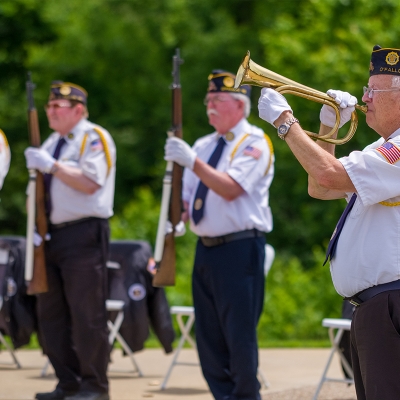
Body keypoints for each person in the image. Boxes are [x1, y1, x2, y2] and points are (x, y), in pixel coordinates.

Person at [258, 45, 400, 400]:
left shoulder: (396, 150)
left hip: (391, 303)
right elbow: (320, 186)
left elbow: (328, 175)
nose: (365, 97)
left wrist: (285, 123)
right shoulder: (379, 149)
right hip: (375, 306)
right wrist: (328, 124)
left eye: (373, 90)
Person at [165, 70, 274, 400]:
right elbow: (186, 199)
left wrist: (191, 161)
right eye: (208, 100)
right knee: (209, 337)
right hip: (206, 249)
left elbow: (230, 189)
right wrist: (177, 218)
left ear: (240, 105)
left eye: (217, 100)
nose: (209, 106)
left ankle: (245, 396)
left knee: (238, 336)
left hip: (240, 249)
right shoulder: (202, 144)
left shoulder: (253, 142)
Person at [24, 81, 116, 400]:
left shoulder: (93, 137)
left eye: (56, 107)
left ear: (78, 109)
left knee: (86, 313)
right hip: (49, 235)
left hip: (83, 233)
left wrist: (51, 166)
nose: (50, 111)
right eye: (48, 106)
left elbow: (91, 182)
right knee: (51, 315)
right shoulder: (51, 142)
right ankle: (69, 381)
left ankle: (94, 385)